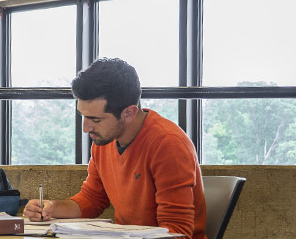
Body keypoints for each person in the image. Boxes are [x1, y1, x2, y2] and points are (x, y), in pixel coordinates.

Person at [23, 58, 206, 239]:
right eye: (83, 116)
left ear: (129, 113)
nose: (86, 128)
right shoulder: (104, 140)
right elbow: (93, 199)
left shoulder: (168, 144)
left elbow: (176, 232)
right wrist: (52, 208)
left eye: (95, 120)